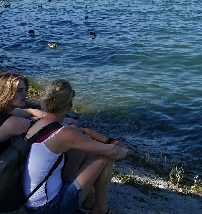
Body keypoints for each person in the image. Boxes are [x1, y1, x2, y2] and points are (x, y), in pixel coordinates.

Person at [0, 73, 77, 205]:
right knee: (51, 142)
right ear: (5, 93)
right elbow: (51, 130)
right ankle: (64, 191)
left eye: (25, 90)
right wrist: (69, 125)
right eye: (20, 91)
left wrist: (60, 119)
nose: (25, 94)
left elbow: (31, 112)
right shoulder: (10, 123)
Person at [22, 79, 129, 214]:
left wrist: (107, 140)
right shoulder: (64, 133)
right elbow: (112, 152)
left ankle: (88, 199)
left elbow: (83, 132)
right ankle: (100, 209)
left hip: (30, 201)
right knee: (104, 157)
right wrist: (124, 152)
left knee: (81, 151)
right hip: (48, 208)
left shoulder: (40, 124)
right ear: (70, 103)